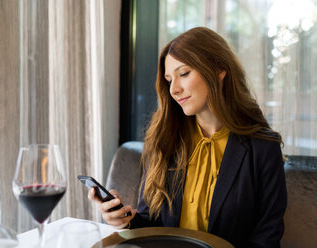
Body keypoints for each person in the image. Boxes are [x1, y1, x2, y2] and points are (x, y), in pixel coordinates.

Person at [89, 27, 287, 247]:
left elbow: (266, 239)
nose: (174, 89)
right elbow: (150, 224)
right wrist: (123, 221)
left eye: (183, 74)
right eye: (168, 79)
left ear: (219, 70)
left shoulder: (263, 148)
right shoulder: (164, 139)